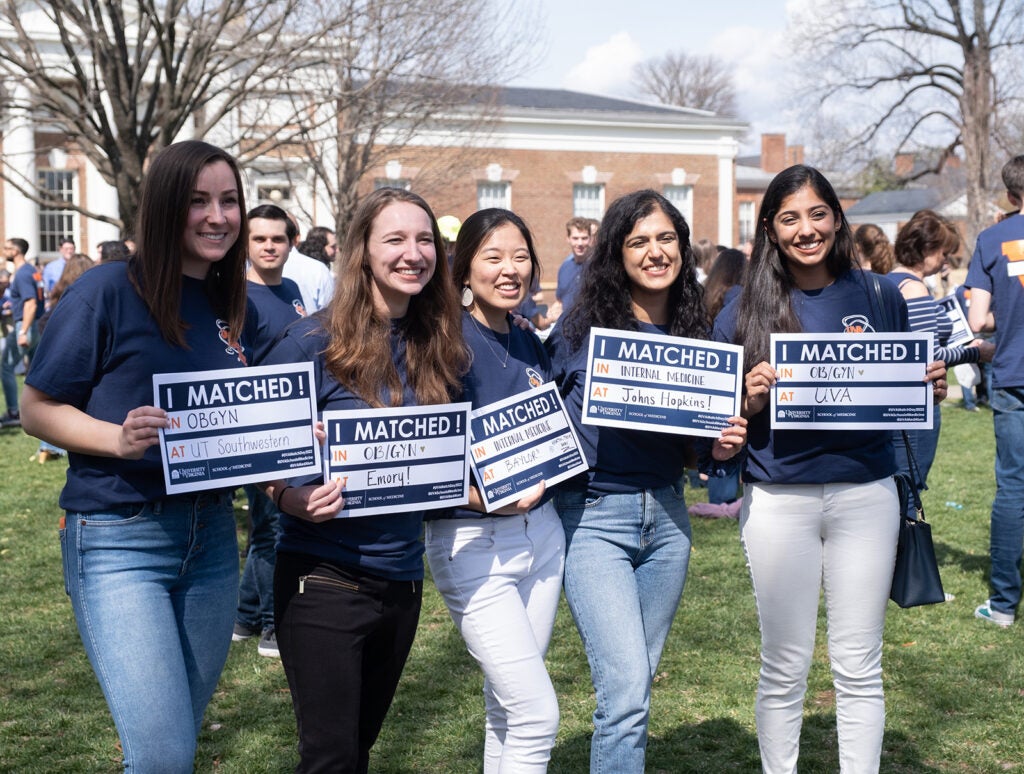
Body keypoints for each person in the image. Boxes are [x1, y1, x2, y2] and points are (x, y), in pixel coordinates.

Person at [20, 140, 256, 772]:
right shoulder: (105, 291)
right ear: (163, 208)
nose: (217, 216)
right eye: (198, 201)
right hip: (120, 539)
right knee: (163, 755)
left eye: (229, 201)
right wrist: (115, 438)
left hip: (211, 543)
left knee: (174, 742)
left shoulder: (236, 305)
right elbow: (36, 408)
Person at [713, 164, 947, 773]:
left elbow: (905, 384)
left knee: (859, 664)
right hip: (777, 504)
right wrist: (747, 397)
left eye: (817, 214)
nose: (806, 229)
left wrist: (926, 383)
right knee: (784, 664)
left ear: (837, 218)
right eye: (789, 218)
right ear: (770, 227)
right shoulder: (741, 307)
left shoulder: (880, 295)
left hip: (866, 499)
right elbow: (717, 428)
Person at [260, 187, 467, 773]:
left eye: (424, 239)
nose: (414, 253)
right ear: (363, 253)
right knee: (329, 759)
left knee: (357, 749)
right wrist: (289, 494)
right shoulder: (310, 342)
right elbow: (254, 451)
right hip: (323, 578)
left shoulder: (439, 342)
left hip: (401, 581)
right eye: (395, 239)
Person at [547, 190, 747, 773]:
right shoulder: (579, 331)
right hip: (593, 520)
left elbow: (694, 453)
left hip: (667, 521)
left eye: (666, 239)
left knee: (634, 688)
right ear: (617, 252)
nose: (655, 252)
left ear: (684, 248)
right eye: (639, 241)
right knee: (627, 692)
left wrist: (719, 446)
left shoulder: (700, 337)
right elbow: (538, 410)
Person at [425, 208, 564, 773]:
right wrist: (480, 496)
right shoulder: (443, 341)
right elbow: (425, 451)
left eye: (521, 256)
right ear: (462, 268)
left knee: (507, 708)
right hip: (473, 544)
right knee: (537, 715)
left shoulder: (530, 340)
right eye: (493, 257)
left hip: (543, 539)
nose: (510, 270)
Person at [232, 204, 308, 659]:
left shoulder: (294, 289)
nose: (268, 246)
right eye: (259, 239)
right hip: (257, 426)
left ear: (290, 242)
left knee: (269, 522)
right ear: (247, 245)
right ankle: (271, 626)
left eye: (277, 239)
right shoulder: (235, 296)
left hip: (295, 422)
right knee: (272, 526)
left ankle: (243, 615)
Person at [889, 210, 994, 498]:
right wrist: (975, 353)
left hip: (894, 403)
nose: (946, 260)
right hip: (917, 403)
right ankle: (908, 542)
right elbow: (929, 355)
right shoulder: (915, 288)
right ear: (926, 249)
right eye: (943, 253)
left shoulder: (889, 280)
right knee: (909, 488)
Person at [965, 153, 1024, 628]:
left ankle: (1003, 605)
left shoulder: (991, 239)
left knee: (1013, 488)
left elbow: (976, 322)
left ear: (1009, 195)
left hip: (1012, 374)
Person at [689, 247, 748, 518]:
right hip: (735, 377)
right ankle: (724, 500)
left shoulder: (705, 296)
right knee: (729, 434)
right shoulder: (738, 297)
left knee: (716, 434)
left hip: (708, 378)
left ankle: (717, 496)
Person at [31, 253, 95, 463]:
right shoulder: (89, 293)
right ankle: (48, 447)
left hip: (61, 353)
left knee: (55, 398)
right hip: (74, 354)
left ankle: (47, 446)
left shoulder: (66, 291)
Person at [1, 236, 41, 427]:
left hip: (24, 326)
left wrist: (23, 331)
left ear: (15, 251)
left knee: (5, 366)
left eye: (7, 248)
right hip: (34, 325)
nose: (4, 251)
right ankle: (38, 412)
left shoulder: (24, 273)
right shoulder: (31, 271)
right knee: (36, 371)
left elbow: (31, 303)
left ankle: (14, 412)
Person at [555, 216, 593, 315]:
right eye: (575, 238)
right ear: (568, 239)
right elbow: (560, 301)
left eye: (584, 238)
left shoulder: (599, 267)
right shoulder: (564, 268)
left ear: (590, 239)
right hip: (567, 325)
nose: (579, 243)